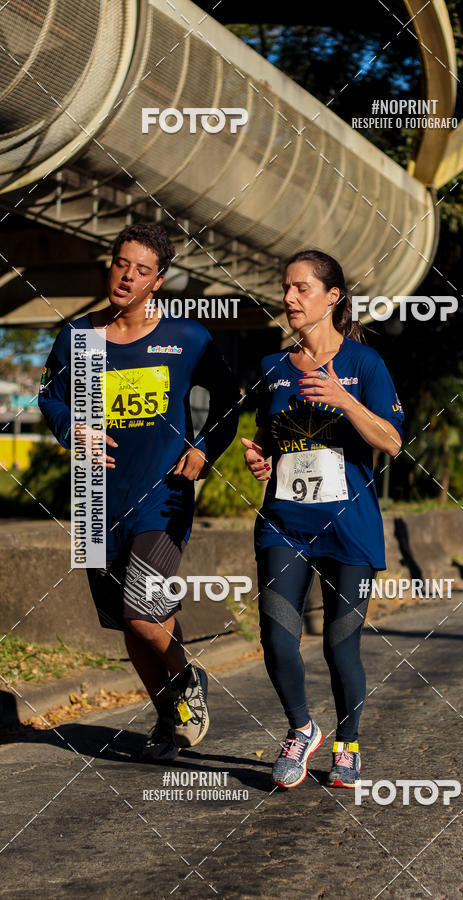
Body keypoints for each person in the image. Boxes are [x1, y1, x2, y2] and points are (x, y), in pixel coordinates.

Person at [39, 223, 240, 760]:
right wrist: (72, 429)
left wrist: (204, 449)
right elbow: (51, 399)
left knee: (143, 613)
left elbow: (229, 400)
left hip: (161, 497)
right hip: (94, 497)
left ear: (159, 281)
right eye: (120, 263)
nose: (127, 275)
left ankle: (185, 675)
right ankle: (168, 713)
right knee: (125, 624)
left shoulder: (187, 338)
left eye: (142, 269)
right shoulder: (77, 339)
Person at [242, 249, 404, 789]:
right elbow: (271, 436)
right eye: (286, 288)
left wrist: (346, 401)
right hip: (284, 523)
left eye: (301, 289)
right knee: (277, 635)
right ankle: (301, 727)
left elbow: (392, 442)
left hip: (349, 528)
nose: (289, 298)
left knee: (340, 644)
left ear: (332, 298)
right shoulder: (272, 368)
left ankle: (348, 744)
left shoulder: (364, 365)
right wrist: (261, 455)